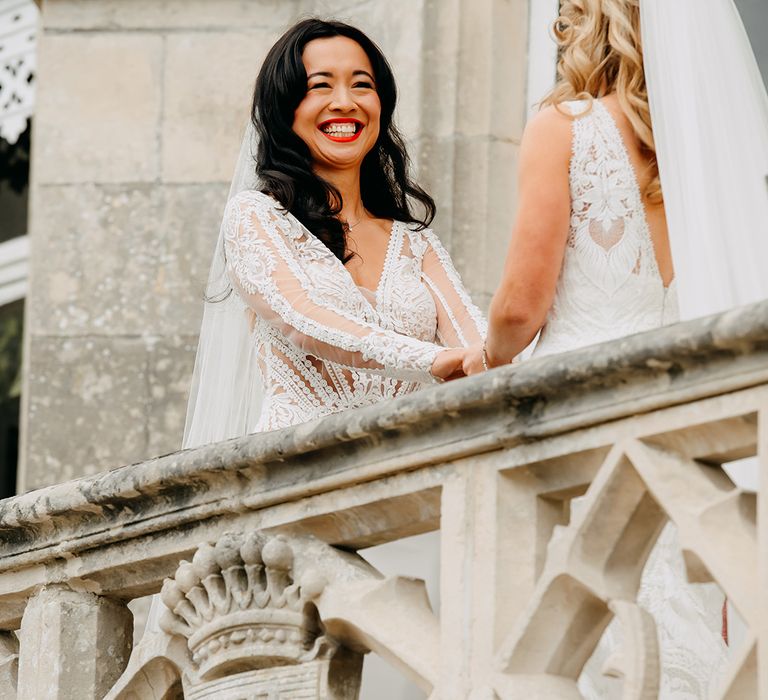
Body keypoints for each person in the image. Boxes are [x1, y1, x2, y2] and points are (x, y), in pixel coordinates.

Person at [460, 0, 768, 696]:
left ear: (590, 20)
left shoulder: (564, 129)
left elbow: (518, 308)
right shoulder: (710, 158)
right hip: (681, 428)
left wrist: (485, 357)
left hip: (580, 432)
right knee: (676, 627)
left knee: (578, 641)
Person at [184, 18, 485, 448]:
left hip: (410, 464)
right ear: (285, 108)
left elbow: (476, 341)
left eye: (362, 85)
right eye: (320, 86)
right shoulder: (257, 217)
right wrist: (433, 359)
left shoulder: (417, 243)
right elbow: (304, 319)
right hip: (298, 463)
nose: (344, 102)